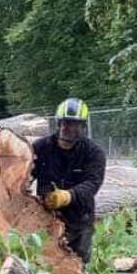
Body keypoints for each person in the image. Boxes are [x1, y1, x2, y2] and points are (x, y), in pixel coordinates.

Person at [31, 98, 106, 264]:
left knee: (77, 267)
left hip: (79, 219)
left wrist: (67, 196)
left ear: (82, 126)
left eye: (73, 124)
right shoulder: (41, 148)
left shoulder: (93, 153)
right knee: (44, 263)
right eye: (64, 122)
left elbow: (92, 183)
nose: (67, 128)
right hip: (45, 218)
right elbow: (25, 175)